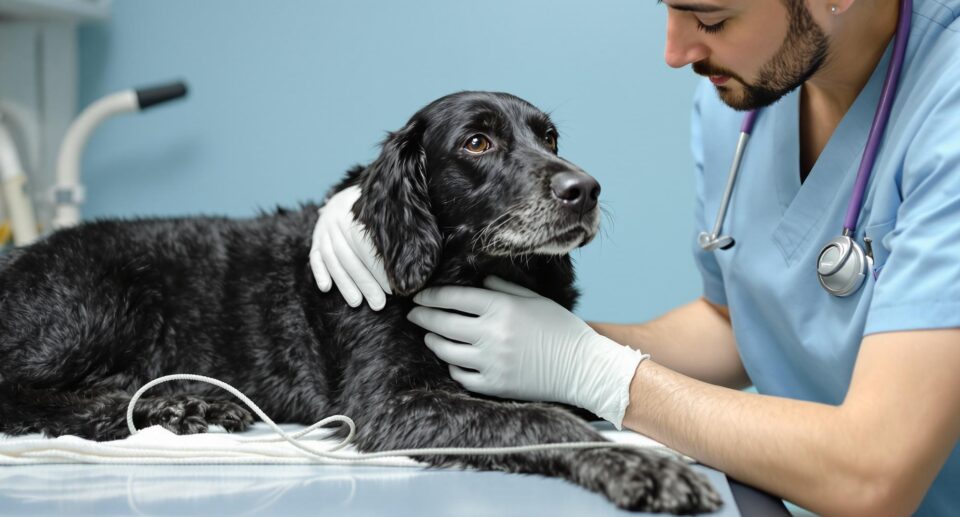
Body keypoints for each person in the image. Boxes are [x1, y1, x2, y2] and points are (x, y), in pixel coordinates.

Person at [308, 0, 960, 514]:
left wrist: (603, 375)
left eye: (710, 16)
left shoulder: (946, 107)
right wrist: (381, 201)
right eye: (668, 10)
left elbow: (876, 471)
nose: (677, 52)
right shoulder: (739, 93)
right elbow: (739, 322)